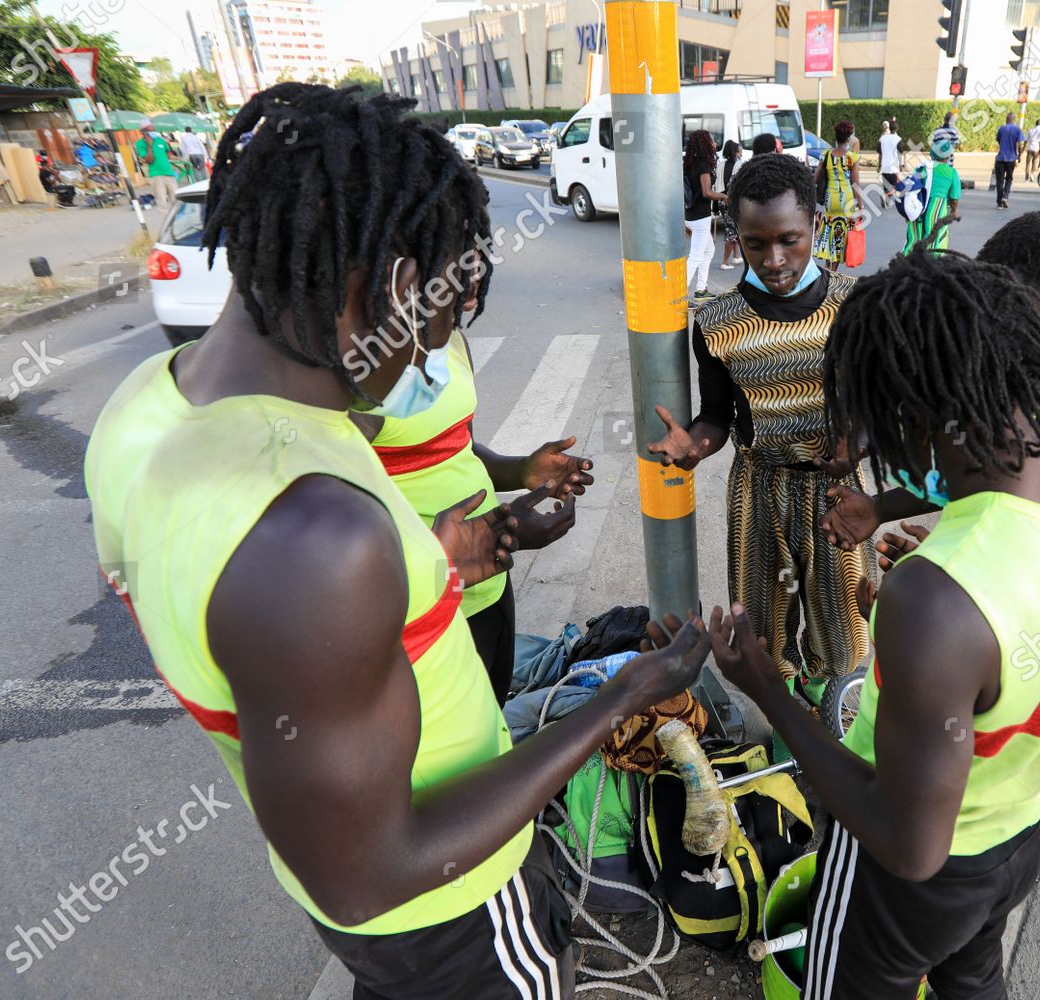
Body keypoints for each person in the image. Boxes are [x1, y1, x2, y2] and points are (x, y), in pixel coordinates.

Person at [85, 83, 712, 1000]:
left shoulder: (149, 402)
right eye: (445, 320)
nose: (434, 355)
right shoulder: (315, 537)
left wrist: (446, 556)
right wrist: (621, 697)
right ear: (394, 288)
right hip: (448, 916)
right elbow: (374, 869)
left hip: (371, 921)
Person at [709, 249, 1040, 999]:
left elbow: (907, 847)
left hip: (905, 890)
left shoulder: (935, 598)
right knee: (973, 981)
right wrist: (941, 650)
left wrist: (763, 684)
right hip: (1012, 847)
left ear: (913, 418)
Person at [646, 153, 875, 696]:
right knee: (767, 619)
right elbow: (718, 418)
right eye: (755, 243)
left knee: (843, 622)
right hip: (758, 491)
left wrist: (858, 443)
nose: (774, 259)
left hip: (837, 493)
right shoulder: (718, 322)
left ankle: (828, 704)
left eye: (790, 239)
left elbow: (877, 407)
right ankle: (784, 716)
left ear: (815, 226)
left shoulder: (856, 308)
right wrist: (695, 446)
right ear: (736, 238)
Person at [823, 208, 1040, 559]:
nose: (999, 337)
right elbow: (983, 465)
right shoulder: (1019, 373)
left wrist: (957, 583)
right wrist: (880, 508)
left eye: (1017, 322)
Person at [353, 334, 595, 702]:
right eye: (456, 275)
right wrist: (437, 560)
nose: (471, 285)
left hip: (491, 586)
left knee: (493, 724)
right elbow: (322, 537)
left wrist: (522, 471)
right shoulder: (356, 375)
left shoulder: (450, 337)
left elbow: (460, 448)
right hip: (422, 611)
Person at [812, 120, 863, 272]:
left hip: (830, 200)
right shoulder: (852, 158)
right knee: (841, 235)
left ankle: (827, 268)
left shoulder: (826, 155)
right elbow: (856, 185)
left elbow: (815, 179)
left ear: (836, 136)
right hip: (846, 200)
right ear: (848, 138)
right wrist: (861, 207)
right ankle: (832, 272)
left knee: (829, 233)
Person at [902, 126, 961, 255]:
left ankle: (905, 267)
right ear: (947, 156)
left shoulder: (922, 168)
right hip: (938, 211)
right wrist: (954, 212)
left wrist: (908, 212)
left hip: (919, 209)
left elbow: (910, 188)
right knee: (936, 242)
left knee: (914, 239)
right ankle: (931, 268)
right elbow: (954, 199)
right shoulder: (951, 173)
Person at [685, 129, 728, 300]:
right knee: (695, 256)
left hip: (690, 215)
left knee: (708, 250)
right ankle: (678, 296)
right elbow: (707, 192)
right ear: (704, 143)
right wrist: (725, 197)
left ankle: (701, 290)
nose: (714, 144)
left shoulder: (689, 162)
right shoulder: (703, 164)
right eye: (711, 140)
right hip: (700, 217)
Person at [133, 122, 179, 208]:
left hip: (169, 172)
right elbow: (150, 160)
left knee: (176, 200)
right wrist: (149, 145)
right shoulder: (140, 144)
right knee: (162, 202)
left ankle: (178, 220)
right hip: (156, 175)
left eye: (154, 130)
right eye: (151, 131)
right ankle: (166, 220)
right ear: (143, 132)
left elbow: (168, 151)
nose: (154, 133)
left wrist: (170, 161)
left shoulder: (160, 140)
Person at [719, 139, 744, 268]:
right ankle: (724, 262)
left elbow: (716, 185)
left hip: (721, 201)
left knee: (734, 228)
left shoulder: (720, 164)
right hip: (732, 202)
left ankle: (736, 256)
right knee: (731, 231)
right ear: (736, 152)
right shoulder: (739, 165)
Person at [994, 112, 1023, 209]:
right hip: (1011, 158)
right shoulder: (1017, 129)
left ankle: (999, 202)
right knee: (1009, 179)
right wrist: (1019, 155)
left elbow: (998, 140)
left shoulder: (1001, 128)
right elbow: (1020, 144)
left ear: (1006, 119)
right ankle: (1005, 197)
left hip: (1000, 157)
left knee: (1000, 180)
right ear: (1014, 120)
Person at [878, 120, 902, 203]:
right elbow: (900, 153)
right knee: (894, 186)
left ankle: (886, 198)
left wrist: (879, 166)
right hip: (894, 167)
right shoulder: (898, 139)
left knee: (886, 185)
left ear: (890, 128)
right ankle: (886, 196)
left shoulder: (883, 138)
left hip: (884, 166)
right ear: (897, 128)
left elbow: (880, 153)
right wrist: (900, 165)